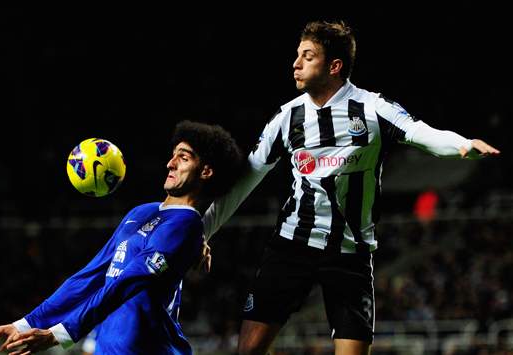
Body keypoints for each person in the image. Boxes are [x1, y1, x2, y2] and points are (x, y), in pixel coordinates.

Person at [202, 20, 500, 355]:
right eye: (297, 55)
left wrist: (461, 143)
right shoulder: (288, 118)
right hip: (291, 247)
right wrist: (200, 234)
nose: (295, 63)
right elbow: (244, 181)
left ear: (334, 66)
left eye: (307, 56)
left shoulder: (372, 108)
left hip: (350, 253)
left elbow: (420, 133)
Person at [0, 120, 243, 354]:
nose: (170, 163)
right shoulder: (141, 212)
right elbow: (90, 276)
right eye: (173, 155)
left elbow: (130, 281)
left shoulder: (187, 226)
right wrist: (25, 324)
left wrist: (61, 333)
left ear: (206, 171)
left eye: (183, 157)